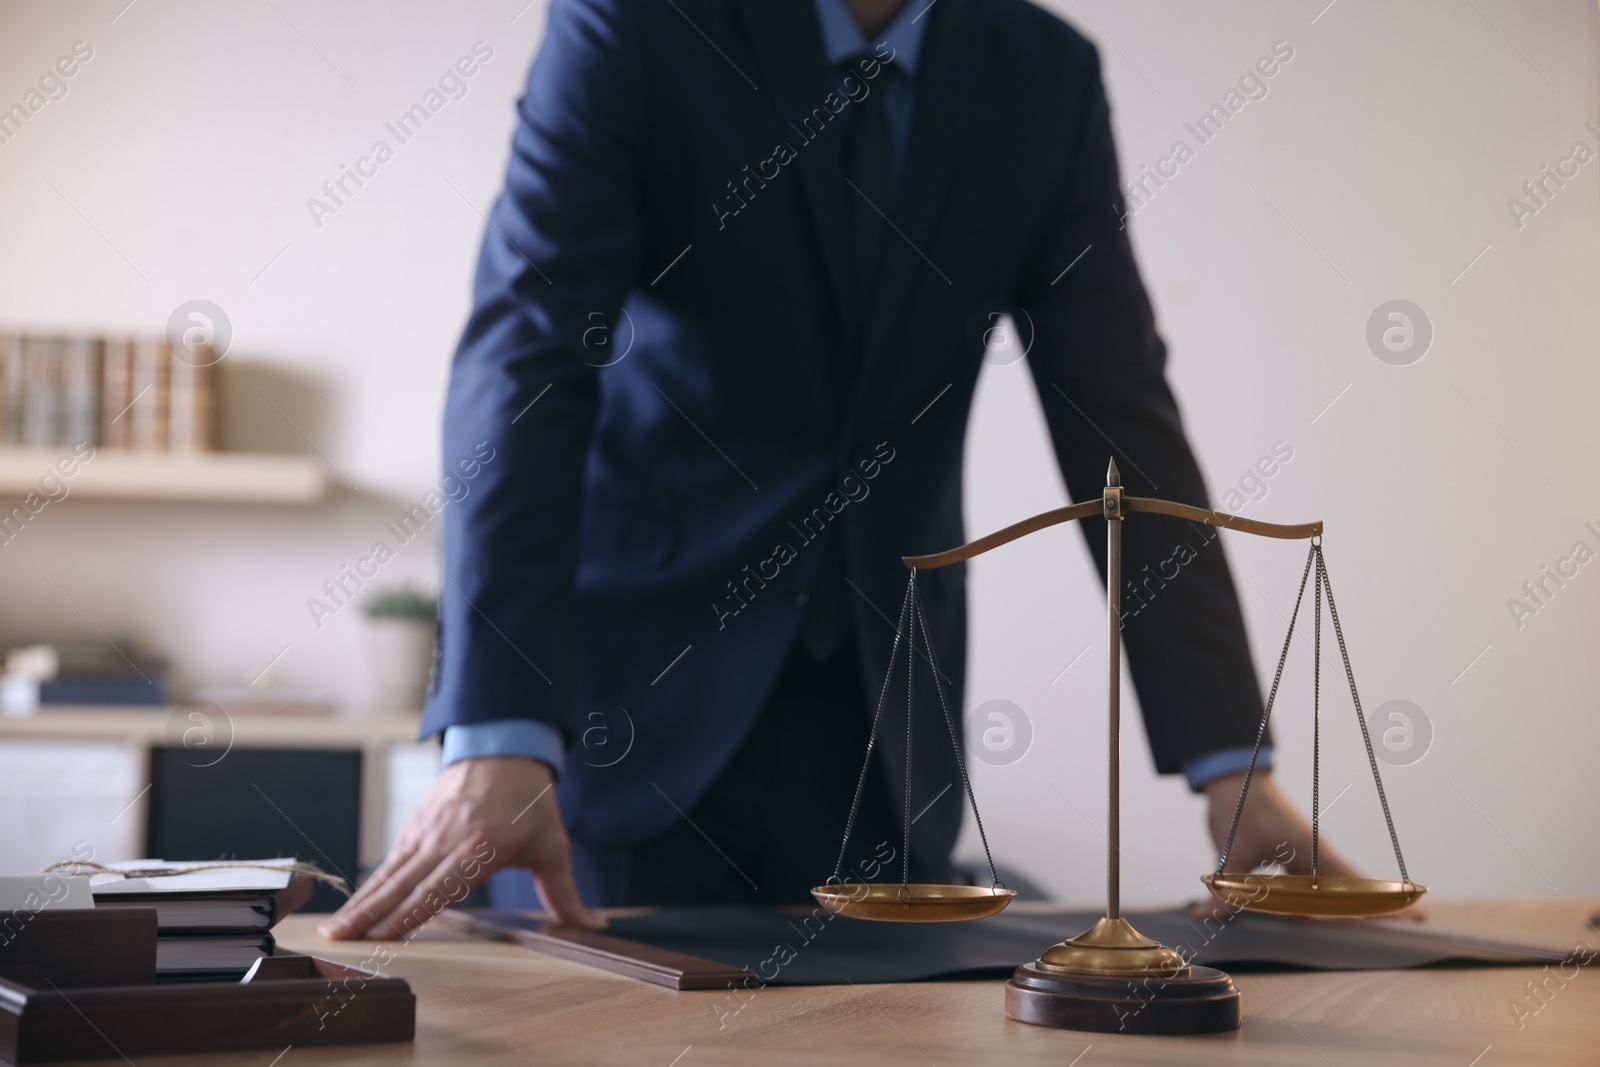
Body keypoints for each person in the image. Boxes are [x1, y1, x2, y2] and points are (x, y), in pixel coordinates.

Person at [320, 0, 1358, 941]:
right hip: (621, 729)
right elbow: (525, 362)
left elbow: (1120, 420)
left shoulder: (1044, 75)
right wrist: (499, 724)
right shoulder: (631, 25)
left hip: (885, 741)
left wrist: (1234, 770)